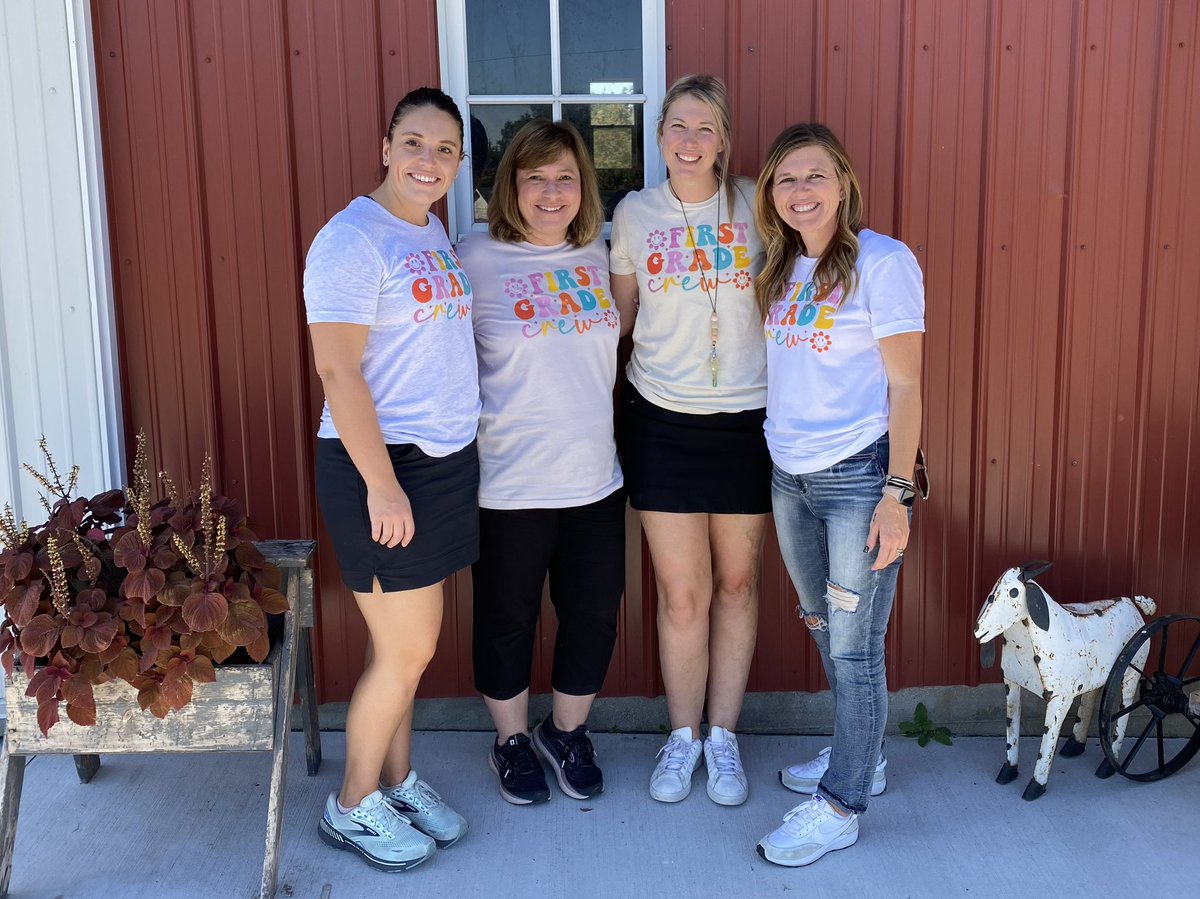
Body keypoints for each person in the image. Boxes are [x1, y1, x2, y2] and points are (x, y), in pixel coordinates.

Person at [304, 86, 479, 872]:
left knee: (408, 648)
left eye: (445, 149)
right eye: (414, 143)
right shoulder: (351, 240)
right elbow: (338, 369)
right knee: (406, 650)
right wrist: (382, 484)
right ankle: (350, 805)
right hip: (381, 465)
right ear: (385, 146)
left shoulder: (430, 228)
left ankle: (397, 780)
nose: (429, 161)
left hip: (437, 464)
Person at [752, 122, 924, 867]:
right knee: (823, 623)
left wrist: (897, 493)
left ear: (843, 183)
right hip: (788, 474)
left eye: (815, 176)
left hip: (858, 477)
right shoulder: (781, 266)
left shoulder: (882, 262)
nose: (801, 192)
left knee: (856, 651)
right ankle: (865, 755)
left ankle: (843, 802)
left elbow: (907, 383)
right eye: (787, 180)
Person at [609, 75, 769, 807]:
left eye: (705, 127)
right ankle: (683, 736)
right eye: (678, 125)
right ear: (659, 134)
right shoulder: (635, 214)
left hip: (747, 421)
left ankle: (725, 737)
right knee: (682, 593)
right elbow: (618, 323)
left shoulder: (756, 209)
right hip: (661, 419)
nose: (690, 140)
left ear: (725, 139)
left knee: (736, 583)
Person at [457, 120, 624, 805]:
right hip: (508, 481)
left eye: (565, 177)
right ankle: (511, 741)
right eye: (535, 178)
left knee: (592, 615)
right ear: (512, 187)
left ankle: (565, 730)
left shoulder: (600, 252)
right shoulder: (473, 256)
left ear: (583, 186)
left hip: (595, 477)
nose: (551, 192)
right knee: (508, 618)